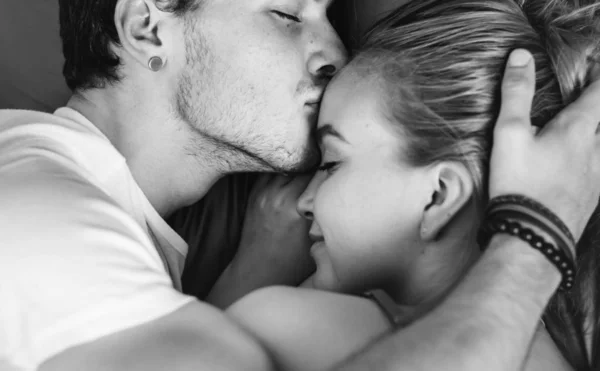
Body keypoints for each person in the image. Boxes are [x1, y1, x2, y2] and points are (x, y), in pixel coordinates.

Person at [0, 0, 600, 370]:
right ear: (149, 29)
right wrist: (535, 235)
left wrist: (253, 268)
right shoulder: (43, 217)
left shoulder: (115, 228)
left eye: (331, 18)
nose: (335, 53)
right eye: (287, 15)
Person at [227, 1, 600, 370]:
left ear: (438, 197)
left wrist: (251, 270)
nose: (304, 201)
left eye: (331, 163)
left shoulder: (286, 329)